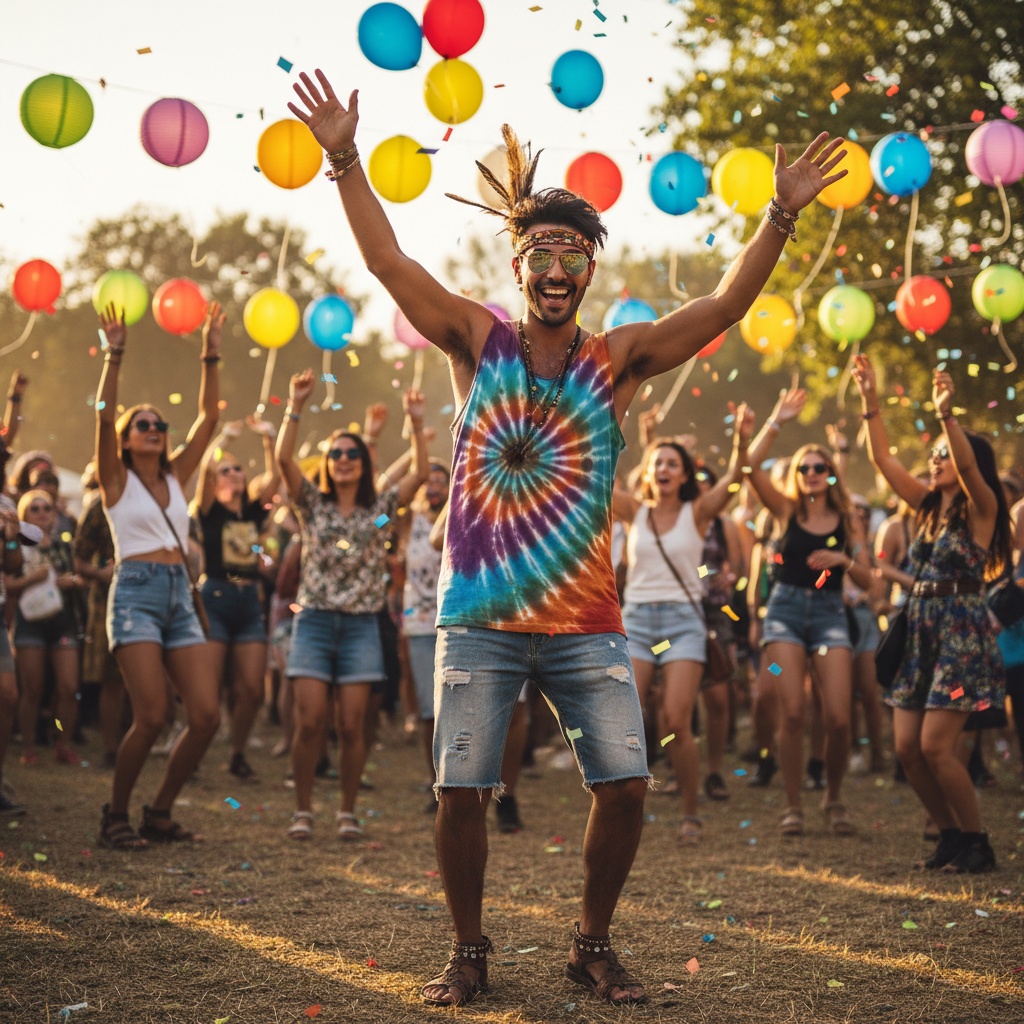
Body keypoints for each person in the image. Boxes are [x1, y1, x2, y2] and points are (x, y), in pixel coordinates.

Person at [289, 66, 846, 1006]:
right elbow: (389, 265)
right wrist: (344, 157)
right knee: (460, 791)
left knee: (625, 787)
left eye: (572, 255)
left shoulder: (618, 362)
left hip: (588, 620)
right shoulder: (477, 338)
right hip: (477, 616)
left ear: (590, 270)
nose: (555, 269)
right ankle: (469, 951)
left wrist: (779, 219)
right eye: (540, 252)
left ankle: (591, 942)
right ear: (520, 267)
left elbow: (722, 311)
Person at [852, 355, 1010, 873]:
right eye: (935, 454)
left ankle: (977, 840)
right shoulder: (923, 509)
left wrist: (947, 415)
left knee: (936, 746)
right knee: (908, 749)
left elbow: (967, 467)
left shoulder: (983, 507)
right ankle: (949, 835)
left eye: (946, 454)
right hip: (920, 629)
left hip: (961, 634)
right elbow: (884, 463)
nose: (938, 459)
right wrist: (870, 401)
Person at [275, 372, 428, 842]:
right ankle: (303, 811)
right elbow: (283, 458)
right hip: (316, 623)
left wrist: (416, 424)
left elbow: (419, 475)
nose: (343, 460)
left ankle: (346, 811)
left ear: (363, 463)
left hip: (363, 626)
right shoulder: (312, 505)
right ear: (327, 463)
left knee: (351, 724)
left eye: (352, 454)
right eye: (336, 454)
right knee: (311, 720)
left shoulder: (378, 512)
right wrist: (296, 405)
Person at [94, 301, 223, 850]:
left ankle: (160, 811)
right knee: (149, 716)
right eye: (141, 424)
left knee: (206, 716)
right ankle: (115, 816)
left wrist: (210, 353)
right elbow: (103, 413)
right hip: (136, 594)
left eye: (158, 424)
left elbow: (210, 418)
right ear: (125, 438)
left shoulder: (178, 475)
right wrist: (114, 354)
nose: (153, 428)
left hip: (178, 594)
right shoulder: (114, 481)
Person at [737, 390, 875, 836]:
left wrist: (845, 563)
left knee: (837, 716)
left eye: (820, 468)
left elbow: (872, 580)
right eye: (804, 469)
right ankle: (793, 804)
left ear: (832, 475)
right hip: (783, 617)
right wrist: (776, 420)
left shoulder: (848, 519)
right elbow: (750, 468)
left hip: (832, 617)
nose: (812, 473)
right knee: (792, 711)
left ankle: (833, 798)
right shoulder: (785, 510)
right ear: (797, 476)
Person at [613, 431, 746, 845]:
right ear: (648, 472)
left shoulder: (699, 511)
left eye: (672, 463)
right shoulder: (634, 510)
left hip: (683, 623)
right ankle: (623, 808)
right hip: (636, 621)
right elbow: (588, 477)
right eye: (657, 462)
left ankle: (691, 811)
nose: (663, 469)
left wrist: (751, 435)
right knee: (629, 717)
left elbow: (738, 475)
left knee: (675, 720)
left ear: (685, 472)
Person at [194, 416, 281, 782]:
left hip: (248, 600)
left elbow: (275, 478)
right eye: (225, 470)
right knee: (207, 690)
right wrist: (223, 436)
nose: (232, 473)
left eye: (237, 470)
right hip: (213, 596)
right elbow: (202, 469)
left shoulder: (252, 511)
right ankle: (193, 755)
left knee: (251, 689)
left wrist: (269, 439)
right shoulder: (207, 510)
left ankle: (237, 754)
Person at [7, 489, 86, 765]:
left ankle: (61, 741)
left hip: (63, 623)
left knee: (68, 688)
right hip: (30, 624)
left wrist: (73, 581)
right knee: (33, 690)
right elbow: (7, 584)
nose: (42, 513)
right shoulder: (14, 544)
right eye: (35, 509)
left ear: (55, 513)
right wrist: (32, 580)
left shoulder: (65, 544)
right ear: (24, 515)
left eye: (47, 508)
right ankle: (28, 748)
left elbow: (81, 575)